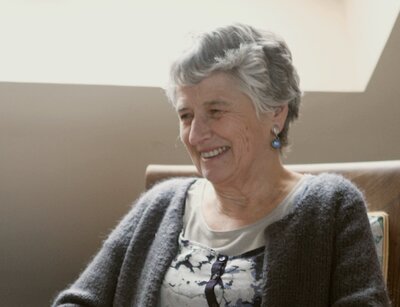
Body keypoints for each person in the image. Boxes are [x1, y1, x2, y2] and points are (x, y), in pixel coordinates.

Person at [52, 23, 389, 306]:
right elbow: (80, 301)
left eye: (215, 111)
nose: (196, 135)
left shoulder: (331, 207)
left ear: (275, 112)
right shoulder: (161, 203)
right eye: (186, 115)